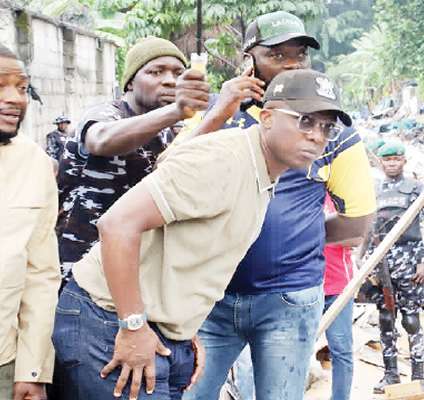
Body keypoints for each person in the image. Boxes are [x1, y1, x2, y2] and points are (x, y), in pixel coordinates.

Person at [50, 69, 352, 400]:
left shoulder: (263, 171)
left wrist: (183, 327)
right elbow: (116, 225)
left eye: (327, 127)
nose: (317, 136)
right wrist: (133, 326)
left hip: (160, 330)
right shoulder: (223, 159)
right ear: (266, 117)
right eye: (305, 121)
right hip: (108, 320)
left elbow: (192, 250)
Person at [181, 11, 376, 400]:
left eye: (300, 54)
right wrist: (219, 112)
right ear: (249, 60)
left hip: (290, 299)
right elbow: (167, 178)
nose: (291, 64)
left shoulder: (333, 131)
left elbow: (358, 222)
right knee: (188, 394)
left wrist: (297, 236)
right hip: (210, 297)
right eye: (277, 54)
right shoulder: (220, 117)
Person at [54, 36, 209, 285]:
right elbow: (102, 140)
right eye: (155, 71)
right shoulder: (104, 115)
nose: (170, 80)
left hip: (134, 273)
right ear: (130, 83)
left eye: (178, 72)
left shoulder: (172, 130)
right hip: (78, 275)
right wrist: (177, 110)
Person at [0, 43, 62, 400]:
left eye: (22, 88)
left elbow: (40, 276)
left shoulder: (35, 164)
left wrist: (32, 370)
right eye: (0, 85)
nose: (15, 99)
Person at [356, 141, 424, 394]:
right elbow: (367, 227)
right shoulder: (374, 190)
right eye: (387, 160)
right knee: (385, 318)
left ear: (404, 161)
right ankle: (391, 374)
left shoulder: (417, 189)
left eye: (396, 159)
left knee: (411, 319)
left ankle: (418, 376)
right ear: (380, 163)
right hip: (380, 263)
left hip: (410, 262)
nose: (392, 164)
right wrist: (360, 258)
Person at [322, 194, 362, 400]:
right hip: (304, 286)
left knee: (340, 349)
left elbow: (356, 238)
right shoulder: (300, 193)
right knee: (297, 349)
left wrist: (317, 231)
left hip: (338, 287)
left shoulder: (339, 200)